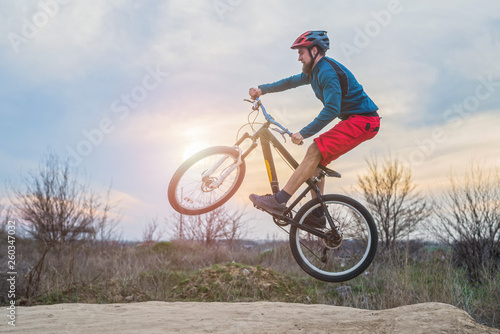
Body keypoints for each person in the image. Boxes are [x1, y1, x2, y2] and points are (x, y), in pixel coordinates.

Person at [248, 30, 380, 228]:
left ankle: (279, 200)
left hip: (363, 121)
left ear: (315, 51)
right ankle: (318, 214)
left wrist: (304, 132)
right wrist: (263, 89)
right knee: (315, 161)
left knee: (314, 150)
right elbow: (290, 82)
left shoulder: (327, 73)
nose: (299, 58)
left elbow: (332, 109)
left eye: (301, 52)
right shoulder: (313, 72)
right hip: (356, 120)